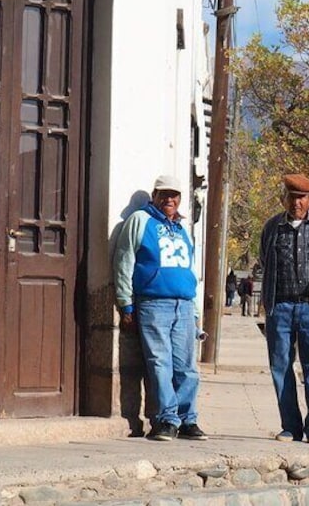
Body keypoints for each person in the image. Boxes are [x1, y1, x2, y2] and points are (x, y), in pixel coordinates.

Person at [113, 175, 208, 442]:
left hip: (184, 305)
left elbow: (190, 270)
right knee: (159, 363)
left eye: (174, 195)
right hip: (154, 303)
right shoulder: (141, 221)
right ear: (154, 196)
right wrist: (125, 302)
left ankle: (188, 419)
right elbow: (124, 260)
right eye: (164, 194)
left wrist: (196, 311)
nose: (170, 200)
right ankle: (166, 419)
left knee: (186, 366)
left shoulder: (181, 229)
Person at [259, 173, 309, 444]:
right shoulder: (272, 227)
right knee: (280, 366)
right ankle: (290, 426)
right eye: (292, 198)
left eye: (302, 198)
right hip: (280, 307)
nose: (297, 203)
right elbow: (264, 259)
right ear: (284, 198)